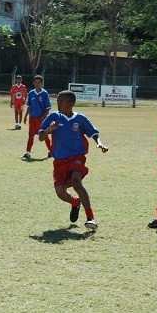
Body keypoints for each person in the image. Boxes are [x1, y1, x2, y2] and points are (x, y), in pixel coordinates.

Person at [39, 90, 108, 230]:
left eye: (60, 101)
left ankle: (91, 218)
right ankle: (75, 202)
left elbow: (93, 132)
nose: (57, 104)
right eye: (57, 101)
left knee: (77, 182)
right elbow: (40, 137)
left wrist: (99, 143)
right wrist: (49, 130)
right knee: (60, 192)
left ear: (71, 103)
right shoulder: (53, 117)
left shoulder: (80, 118)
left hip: (77, 157)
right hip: (59, 161)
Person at [23, 75, 52, 159]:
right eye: (35, 82)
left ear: (41, 83)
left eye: (39, 82)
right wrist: (25, 116)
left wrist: (43, 116)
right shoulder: (31, 93)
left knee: (44, 135)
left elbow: (48, 107)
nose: (37, 84)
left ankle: (51, 151)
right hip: (32, 118)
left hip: (41, 119)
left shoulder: (44, 93)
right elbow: (29, 106)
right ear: (33, 83)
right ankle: (27, 152)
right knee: (31, 135)